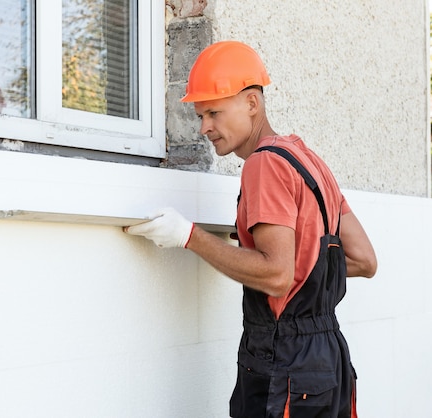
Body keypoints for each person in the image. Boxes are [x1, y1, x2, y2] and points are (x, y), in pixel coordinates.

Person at [125, 40, 377, 417]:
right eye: (199, 116)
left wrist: (188, 236)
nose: (204, 127)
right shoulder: (309, 162)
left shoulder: (265, 164)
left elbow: (277, 276)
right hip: (327, 362)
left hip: (285, 364)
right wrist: (284, 253)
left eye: (214, 112)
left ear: (252, 103)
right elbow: (363, 259)